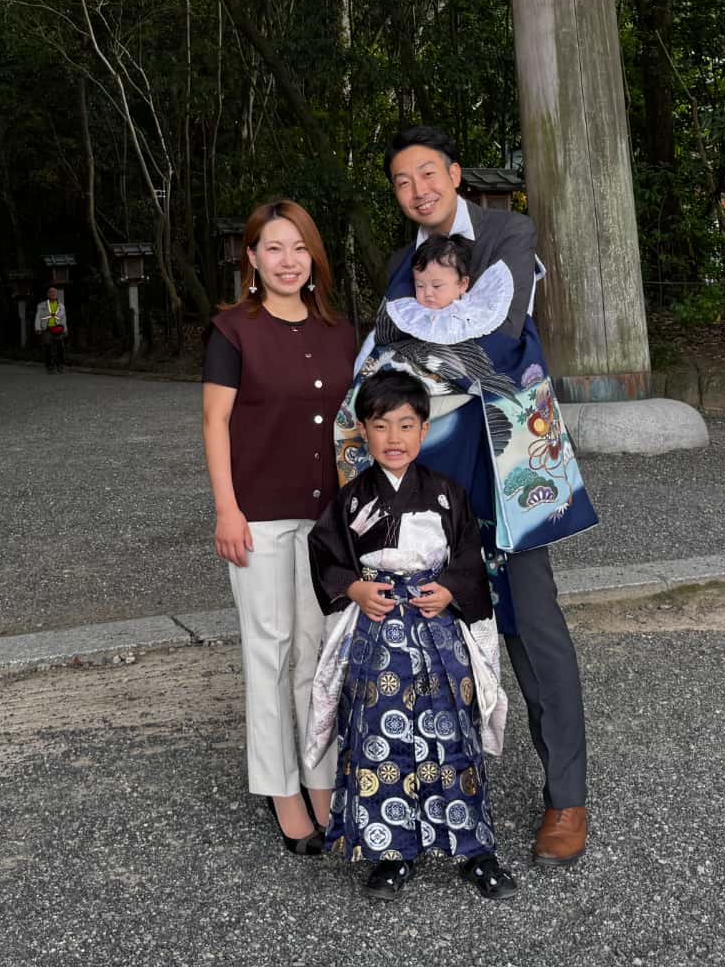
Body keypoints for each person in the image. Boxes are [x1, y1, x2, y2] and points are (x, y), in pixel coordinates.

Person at [365, 125, 599, 866]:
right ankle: (443, 789)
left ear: (454, 173)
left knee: (533, 622)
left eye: (428, 174)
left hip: (509, 457)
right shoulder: (404, 263)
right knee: (436, 620)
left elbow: (500, 336)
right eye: (403, 182)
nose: (419, 190)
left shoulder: (507, 231)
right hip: (438, 469)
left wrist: (426, 359)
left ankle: (566, 796)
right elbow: (383, 355)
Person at [305, 368, 515, 901]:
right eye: (381, 426)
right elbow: (326, 555)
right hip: (376, 635)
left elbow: (470, 555)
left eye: (406, 425)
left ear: (423, 431)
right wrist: (353, 588)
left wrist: (449, 588)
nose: (394, 439)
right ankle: (392, 851)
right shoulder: (351, 500)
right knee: (379, 738)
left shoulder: (448, 495)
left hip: (436, 629)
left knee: (452, 734)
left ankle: (473, 848)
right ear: (364, 432)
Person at [202, 199, 357, 855]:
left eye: (298, 248)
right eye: (273, 248)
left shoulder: (341, 331)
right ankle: (281, 788)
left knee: (317, 654)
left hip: (326, 517)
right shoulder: (234, 329)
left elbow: (356, 425)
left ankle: (322, 779)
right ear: (252, 258)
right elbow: (214, 423)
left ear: (313, 257)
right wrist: (226, 509)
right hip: (258, 516)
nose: (287, 260)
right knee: (268, 650)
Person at [38, 287, 68, 374]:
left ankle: (60, 365)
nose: (52, 294)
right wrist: (38, 328)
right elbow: (38, 317)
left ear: (56, 295)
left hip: (58, 328)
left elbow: (63, 318)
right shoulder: (42, 305)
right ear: (48, 295)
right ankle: (49, 366)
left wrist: (65, 329)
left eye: (54, 293)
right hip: (47, 328)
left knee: (60, 347)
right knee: (48, 347)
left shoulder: (61, 306)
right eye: (51, 293)